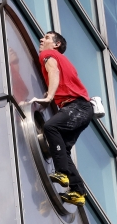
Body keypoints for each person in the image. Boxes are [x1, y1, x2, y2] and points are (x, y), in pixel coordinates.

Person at [33, 31, 93, 206]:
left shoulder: (48, 54)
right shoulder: (66, 62)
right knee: (62, 151)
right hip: (81, 109)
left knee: (51, 127)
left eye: (46, 37)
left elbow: (53, 72)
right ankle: (78, 192)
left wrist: (49, 97)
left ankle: (62, 173)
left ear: (56, 44)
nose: (41, 39)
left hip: (76, 106)